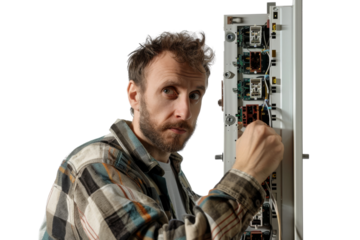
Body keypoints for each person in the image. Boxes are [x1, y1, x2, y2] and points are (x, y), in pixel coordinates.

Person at [38, 29, 266, 239]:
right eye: (169, 91)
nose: (185, 111)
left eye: (195, 95)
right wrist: (246, 175)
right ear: (135, 95)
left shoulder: (168, 169)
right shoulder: (94, 165)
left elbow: (193, 228)